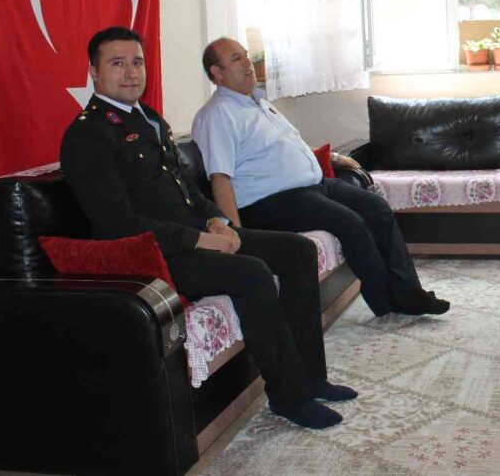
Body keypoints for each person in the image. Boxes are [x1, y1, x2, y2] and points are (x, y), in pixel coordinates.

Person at [61, 27, 355, 430]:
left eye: (137, 62)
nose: (131, 73)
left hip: (194, 237)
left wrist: (218, 220)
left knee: (296, 250)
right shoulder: (88, 134)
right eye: (117, 63)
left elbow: (184, 188)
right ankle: (289, 396)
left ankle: (310, 377)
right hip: (151, 255)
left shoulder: (148, 118)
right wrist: (202, 239)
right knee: (251, 272)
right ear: (94, 72)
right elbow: (118, 223)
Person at [191, 38, 448, 318]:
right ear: (217, 72)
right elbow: (220, 177)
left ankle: (408, 292)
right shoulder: (217, 115)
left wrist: (334, 158)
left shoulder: (258, 104)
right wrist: (239, 235)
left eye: (245, 55)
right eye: (236, 58)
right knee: (352, 224)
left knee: (377, 208)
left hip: (313, 186)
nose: (247, 62)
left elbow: (289, 144)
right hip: (273, 201)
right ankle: (386, 302)